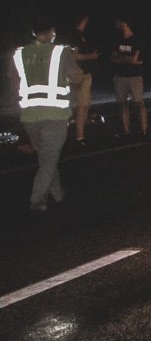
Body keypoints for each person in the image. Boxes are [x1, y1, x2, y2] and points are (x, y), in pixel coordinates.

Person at [10, 18, 83, 211]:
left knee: (47, 157)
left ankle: (58, 194)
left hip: (29, 115)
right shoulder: (61, 52)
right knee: (50, 159)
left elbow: (14, 82)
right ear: (52, 32)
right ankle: (37, 200)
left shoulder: (19, 54)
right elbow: (77, 77)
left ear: (34, 33)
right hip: (55, 114)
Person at [57, 12, 99, 145]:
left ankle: (75, 131)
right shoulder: (75, 35)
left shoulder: (73, 35)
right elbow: (75, 56)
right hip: (80, 74)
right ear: (84, 20)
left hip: (74, 74)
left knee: (82, 105)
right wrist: (91, 56)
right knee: (82, 105)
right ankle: (80, 136)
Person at [111, 16, 148, 136]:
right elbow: (113, 58)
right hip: (120, 76)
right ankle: (126, 131)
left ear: (125, 23)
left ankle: (144, 131)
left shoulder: (137, 39)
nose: (116, 24)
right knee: (122, 104)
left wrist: (122, 58)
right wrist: (127, 59)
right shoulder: (117, 39)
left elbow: (134, 60)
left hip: (135, 76)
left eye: (118, 22)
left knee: (139, 103)